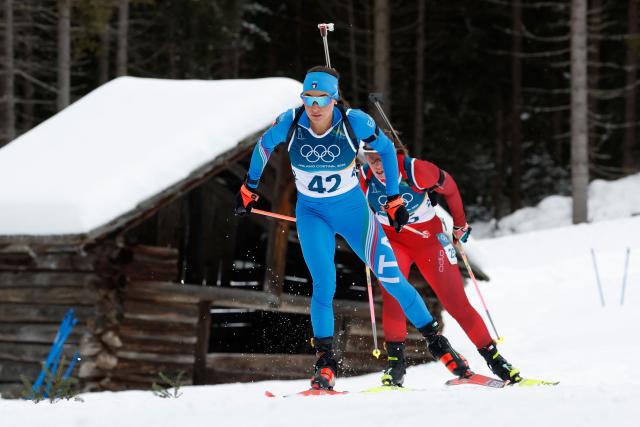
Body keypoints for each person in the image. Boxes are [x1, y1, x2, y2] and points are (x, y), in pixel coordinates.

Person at [235, 66, 473, 390]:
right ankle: (326, 364)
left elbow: (387, 149)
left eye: (321, 98)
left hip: (354, 214)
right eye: (308, 97)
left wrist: (392, 198)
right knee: (323, 283)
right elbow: (263, 146)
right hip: (312, 214)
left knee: (392, 278)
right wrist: (250, 185)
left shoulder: (354, 121)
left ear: (334, 98)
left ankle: (438, 344)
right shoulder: (290, 122)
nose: (314, 106)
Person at [359, 136, 523, 386]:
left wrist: (459, 223)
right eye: (371, 159)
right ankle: (395, 367)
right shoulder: (364, 177)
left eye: (381, 158)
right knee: (393, 295)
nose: (377, 165)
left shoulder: (416, 170)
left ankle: (496, 361)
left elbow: (451, 188)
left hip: (428, 240)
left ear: (393, 154)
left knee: (456, 302)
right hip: (393, 241)